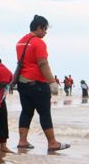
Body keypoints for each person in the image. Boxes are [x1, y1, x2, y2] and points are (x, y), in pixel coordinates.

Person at [14, 15, 68, 151]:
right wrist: (52, 82)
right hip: (37, 84)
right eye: (45, 29)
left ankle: (22, 141)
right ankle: (52, 142)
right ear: (39, 28)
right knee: (44, 113)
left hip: (22, 83)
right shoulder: (39, 43)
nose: (45, 32)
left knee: (26, 112)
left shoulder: (20, 42)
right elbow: (43, 64)